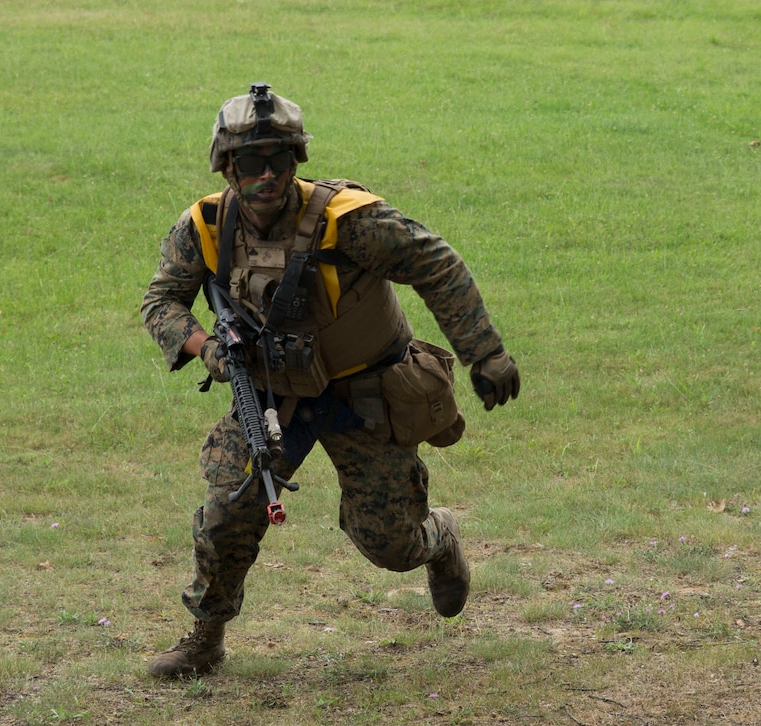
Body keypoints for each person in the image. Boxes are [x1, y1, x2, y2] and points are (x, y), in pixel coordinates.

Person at [140, 83, 520, 678]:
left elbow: (437, 264)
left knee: (390, 545)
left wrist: (486, 354)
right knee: (227, 513)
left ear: (296, 159)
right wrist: (209, 349)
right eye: (250, 162)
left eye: (279, 159)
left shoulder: (351, 223)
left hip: (363, 392)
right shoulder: (206, 225)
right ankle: (205, 638)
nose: (267, 175)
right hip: (272, 396)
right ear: (226, 166)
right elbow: (161, 301)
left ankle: (439, 538)